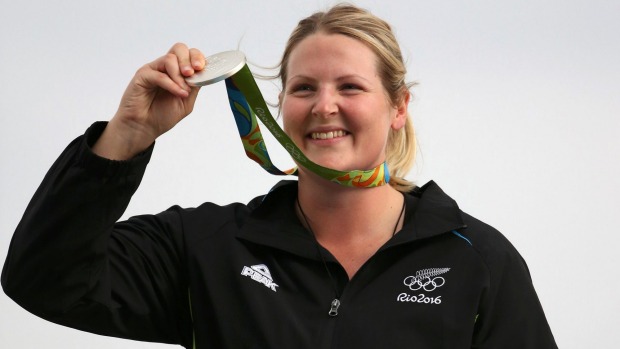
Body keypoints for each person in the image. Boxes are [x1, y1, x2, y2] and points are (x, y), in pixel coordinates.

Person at [2, 4, 557, 348]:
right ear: (279, 106)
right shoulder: (208, 249)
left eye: (350, 87)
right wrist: (126, 136)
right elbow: (44, 280)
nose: (324, 106)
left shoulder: (476, 260)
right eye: (304, 88)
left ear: (398, 107)